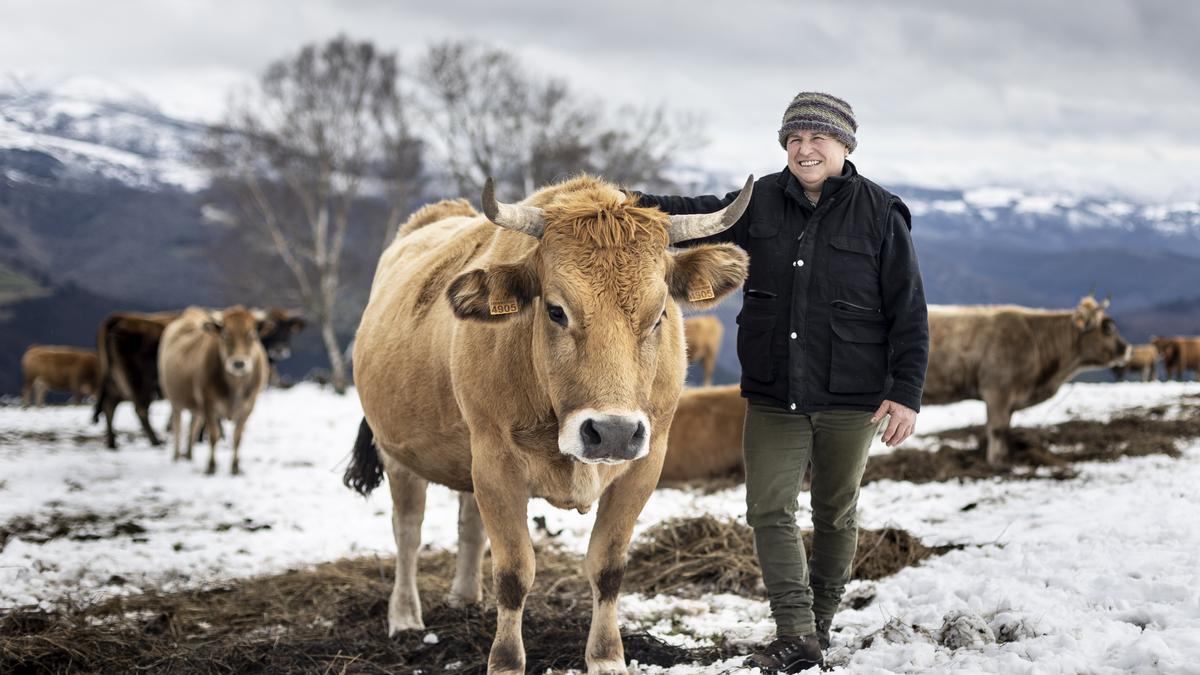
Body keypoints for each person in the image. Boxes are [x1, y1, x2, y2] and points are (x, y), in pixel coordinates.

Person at [637, 92, 928, 672]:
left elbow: (909, 311)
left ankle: (816, 626)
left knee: (834, 513)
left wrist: (906, 392)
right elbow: (692, 213)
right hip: (774, 392)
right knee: (768, 510)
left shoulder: (880, 212)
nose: (805, 148)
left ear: (844, 144)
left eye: (818, 138)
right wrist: (623, 203)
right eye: (794, 139)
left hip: (852, 395)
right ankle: (795, 629)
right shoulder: (759, 201)